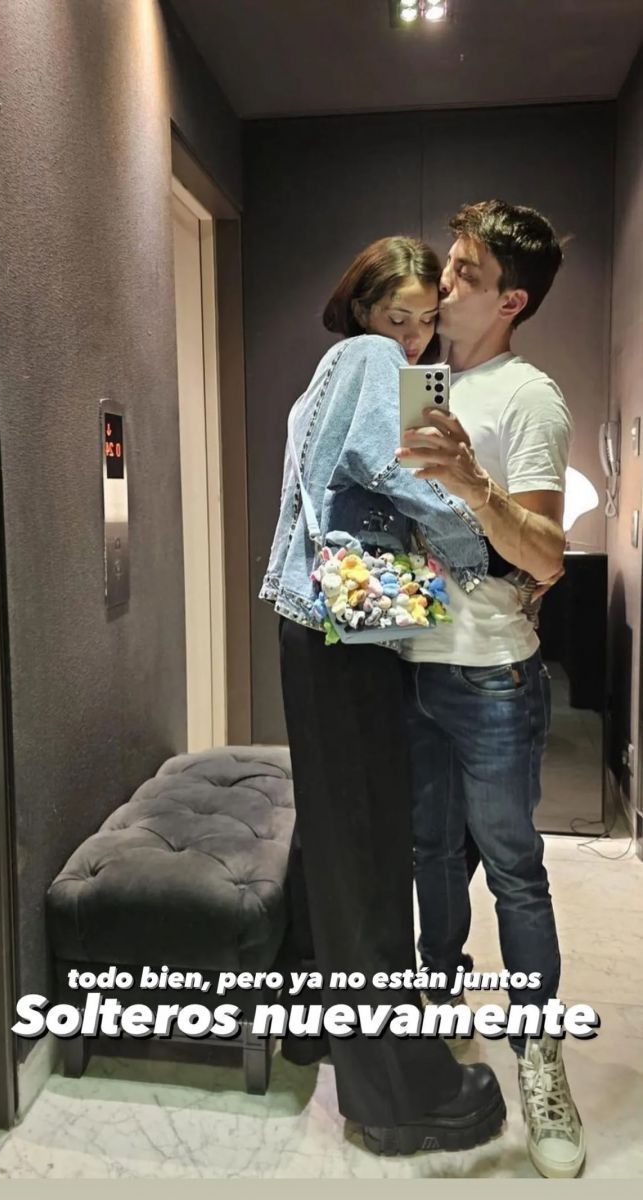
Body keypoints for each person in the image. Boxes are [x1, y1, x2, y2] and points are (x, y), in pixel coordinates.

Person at [260, 235, 507, 1156]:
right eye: (395, 316)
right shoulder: (368, 360)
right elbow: (388, 466)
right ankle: (397, 1093)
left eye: (424, 321)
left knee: (336, 834)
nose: (411, 336)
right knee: (367, 851)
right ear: (362, 309)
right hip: (347, 627)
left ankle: (317, 1023)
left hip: (317, 621)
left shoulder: (331, 373)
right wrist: (482, 540)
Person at [396, 200, 585, 1179]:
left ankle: (541, 1061)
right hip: (409, 665)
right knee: (430, 855)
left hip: (491, 676)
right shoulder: (421, 380)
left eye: (466, 273)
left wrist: (473, 483)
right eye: (450, 263)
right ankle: (438, 1003)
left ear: (511, 300)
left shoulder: (527, 397)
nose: (444, 283)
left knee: (513, 868)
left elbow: (547, 555)